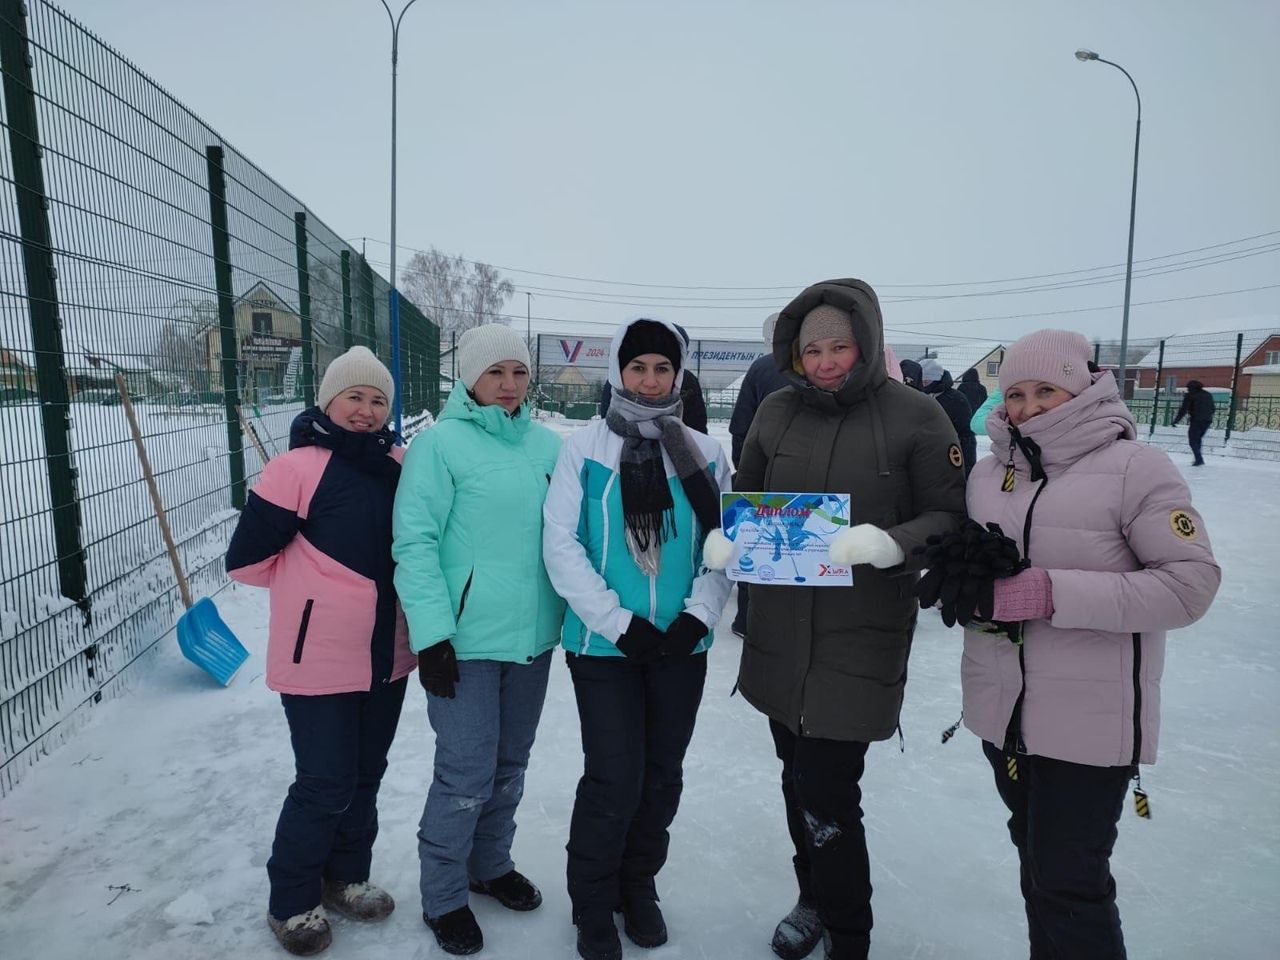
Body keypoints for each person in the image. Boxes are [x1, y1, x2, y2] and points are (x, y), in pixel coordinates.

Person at [708, 279, 967, 960]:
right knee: (797, 780)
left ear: (867, 344)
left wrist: (893, 543)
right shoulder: (776, 411)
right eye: (811, 349)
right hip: (781, 635)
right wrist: (732, 535)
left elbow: (949, 513)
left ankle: (849, 934)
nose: (824, 361)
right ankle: (813, 897)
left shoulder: (917, 416)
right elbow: (751, 494)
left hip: (860, 633)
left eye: (838, 347)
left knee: (827, 790)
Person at [949, 329, 1220, 959]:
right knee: (1039, 872)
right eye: (1015, 393)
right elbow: (976, 570)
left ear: (1083, 386)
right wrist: (957, 582)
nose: (1029, 406)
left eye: (1047, 389)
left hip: (1088, 730)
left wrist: (1048, 594)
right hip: (1003, 714)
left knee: (1072, 888)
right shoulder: (991, 475)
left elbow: (1190, 586)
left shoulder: (1137, 468)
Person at [543, 317, 733, 960]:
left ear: (678, 376)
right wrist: (618, 624)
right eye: (637, 367)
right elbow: (561, 545)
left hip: (682, 645)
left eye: (662, 369)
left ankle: (638, 884)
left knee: (661, 776)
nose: (649, 381)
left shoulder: (707, 454)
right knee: (613, 777)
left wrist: (698, 616)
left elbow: (722, 548)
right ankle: (593, 904)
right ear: (617, 373)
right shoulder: (584, 448)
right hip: (604, 648)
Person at [226, 345, 416, 957]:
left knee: (366, 774)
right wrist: (316, 589)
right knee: (324, 780)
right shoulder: (296, 467)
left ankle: (345, 876)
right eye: (353, 397)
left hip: (387, 652)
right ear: (328, 401)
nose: (365, 410)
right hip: (317, 656)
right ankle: (292, 901)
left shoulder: (401, 464)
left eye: (377, 399)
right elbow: (248, 562)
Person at [392, 324, 565, 956]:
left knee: (509, 765)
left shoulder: (549, 447)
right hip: (463, 643)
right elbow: (415, 542)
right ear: (469, 376)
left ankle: (489, 865)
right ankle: (443, 894)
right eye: (496, 373)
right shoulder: (440, 447)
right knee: (465, 772)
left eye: (518, 373)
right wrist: (433, 634)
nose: (509, 385)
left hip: (533, 641)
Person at [726, 312, 790, 638]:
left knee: (758, 545)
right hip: (814, 479)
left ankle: (747, 619)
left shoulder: (761, 368)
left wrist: (746, 469)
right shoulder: (822, 367)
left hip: (761, 473)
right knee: (801, 548)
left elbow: (741, 425)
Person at [598, 323, 707, 432]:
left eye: (661, 369)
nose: (651, 382)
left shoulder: (688, 380)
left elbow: (697, 421)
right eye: (639, 368)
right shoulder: (587, 444)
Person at [921, 358, 976, 476]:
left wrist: (965, 468)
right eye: (922, 381)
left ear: (936, 379)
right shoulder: (919, 398)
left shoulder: (956, 399)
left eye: (926, 381)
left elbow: (965, 434)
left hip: (950, 455)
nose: (923, 384)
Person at [1172, 379, 1216, 466]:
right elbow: (1213, 408)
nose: (1187, 390)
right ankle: (1198, 458)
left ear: (1191, 388)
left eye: (1188, 388)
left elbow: (1183, 409)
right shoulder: (1207, 394)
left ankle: (1199, 459)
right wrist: (1208, 416)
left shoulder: (1190, 395)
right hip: (1207, 420)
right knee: (1198, 439)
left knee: (1192, 440)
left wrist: (1176, 421)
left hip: (1196, 420)